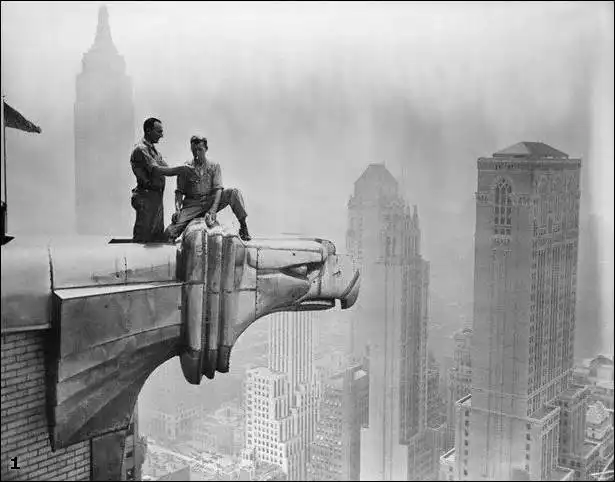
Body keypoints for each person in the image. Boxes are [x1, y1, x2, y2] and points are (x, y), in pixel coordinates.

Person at [164, 135, 251, 242]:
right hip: (192, 205)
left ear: (206, 149)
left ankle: (244, 227)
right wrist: (177, 210)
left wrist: (213, 210)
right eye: (194, 150)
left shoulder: (214, 166)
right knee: (168, 233)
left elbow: (218, 189)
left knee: (233, 192)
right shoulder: (185, 167)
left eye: (200, 149)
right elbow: (179, 191)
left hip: (210, 201)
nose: (197, 153)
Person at [130, 117, 184, 243]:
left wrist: (184, 169)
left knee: (156, 238)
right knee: (143, 239)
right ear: (148, 131)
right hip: (146, 199)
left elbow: (166, 167)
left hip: (155, 199)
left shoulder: (153, 150)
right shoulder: (141, 149)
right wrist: (181, 170)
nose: (162, 135)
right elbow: (156, 169)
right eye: (159, 131)